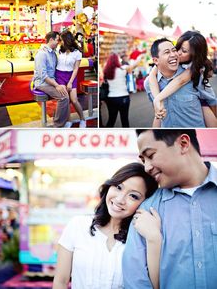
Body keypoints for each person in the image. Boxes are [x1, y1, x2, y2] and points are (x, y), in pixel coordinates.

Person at [123, 129, 217, 289]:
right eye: (143, 160)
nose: (146, 167)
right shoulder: (146, 211)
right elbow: (135, 282)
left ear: (183, 144)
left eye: (150, 155)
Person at [52, 162, 159, 289]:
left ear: (144, 203)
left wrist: (154, 238)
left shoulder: (140, 239)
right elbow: (60, 282)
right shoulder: (78, 225)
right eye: (118, 187)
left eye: (133, 196)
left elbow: (156, 285)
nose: (120, 199)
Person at [149, 31, 217, 127]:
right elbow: (152, 76)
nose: (177, 53)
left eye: (184, 51)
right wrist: (157, 101)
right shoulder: (164, 65)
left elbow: (180, 81)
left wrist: (158, 98)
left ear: (194, 55)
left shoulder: (196, 67)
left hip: (206, 102)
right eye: (178, 47)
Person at [33, 31, 70, 128]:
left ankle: (58, 118)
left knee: (65, 91)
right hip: (42, 83)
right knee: (64, 97)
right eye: (57, 40)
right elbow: (43, 76)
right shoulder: (42, 54)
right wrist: (57, 85)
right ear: (51, 40)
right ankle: (57, 125)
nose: (58, 42)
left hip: (50, 81)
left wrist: (60, 84)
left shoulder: (53, 53)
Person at [55, 30, 86, 128]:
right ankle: (69, 120)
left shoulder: (77, 53)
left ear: (67, 40)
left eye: (62, 40)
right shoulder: (59, 50)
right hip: (59, 75)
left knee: (74, 99)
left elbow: (76, 68)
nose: (60, 42)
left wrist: (70, 82)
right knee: (65, 100)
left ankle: (82, 119)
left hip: (71, 76)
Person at [103, 53, 140, 127]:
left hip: (111, 98)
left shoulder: (106, 71)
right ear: (117, 60)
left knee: (111, 120)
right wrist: (139, 56)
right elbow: (135, 65)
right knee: (124, 120)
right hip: (123, 97)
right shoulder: (123, 68)